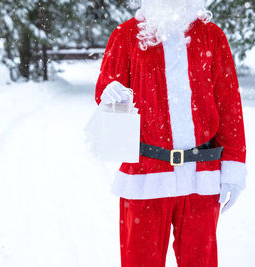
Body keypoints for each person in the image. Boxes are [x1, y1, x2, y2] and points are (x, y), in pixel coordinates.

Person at [94, 0, 247, 266]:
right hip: (145, 173)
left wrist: (233, 165)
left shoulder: (212, 35)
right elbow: (107, 87)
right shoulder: (127, 34)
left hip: (202, 174)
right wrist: (109, 93)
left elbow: (229, 103)